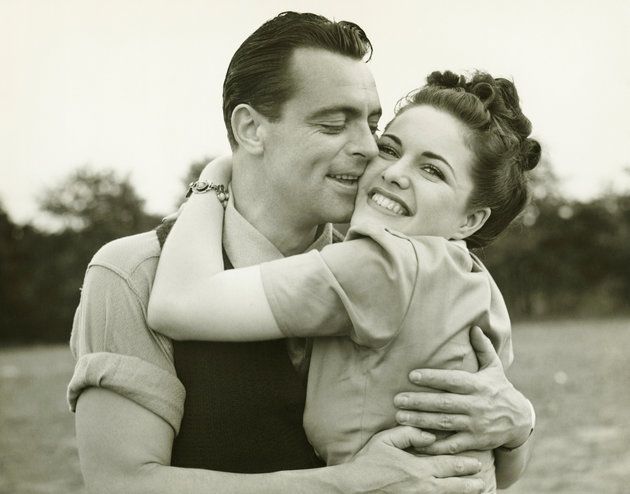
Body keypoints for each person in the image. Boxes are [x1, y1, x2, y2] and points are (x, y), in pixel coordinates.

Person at [68, 11, 534, 493]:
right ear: (250, 129)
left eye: (373, 125)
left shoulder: (387, 271)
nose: (369, 149)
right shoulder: (132, 273)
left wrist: (516, 425)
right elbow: (121, 483)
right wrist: (350, 484)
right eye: (334, 125)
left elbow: (482, 465)